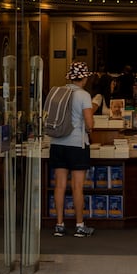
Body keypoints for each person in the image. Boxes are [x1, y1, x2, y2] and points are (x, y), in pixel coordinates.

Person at [50, 62, 95, 238]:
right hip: (76, 144)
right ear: (83, 78)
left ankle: (59, 225)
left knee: (59, 185)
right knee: (77, 186)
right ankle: (79, 225)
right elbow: (89, 124)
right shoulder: (83, 95)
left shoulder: (58, 92)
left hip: (57, 142)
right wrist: (90, 128)